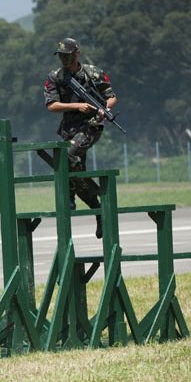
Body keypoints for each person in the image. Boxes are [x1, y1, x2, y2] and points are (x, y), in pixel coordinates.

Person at [44, 38, 117, 238]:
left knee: (69, 154)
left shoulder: (94, 73)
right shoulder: (55, 76)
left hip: (91, 125)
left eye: (66, 56)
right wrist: (77, 106)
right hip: (69, 128)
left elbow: (111, 96)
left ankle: (68, 195)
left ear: (77, 53)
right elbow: (52, 106)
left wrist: (105, 109)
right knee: (76, 173)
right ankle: (99, 209)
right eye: (60, 56)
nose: (63, 60)